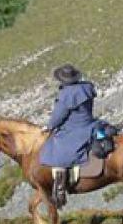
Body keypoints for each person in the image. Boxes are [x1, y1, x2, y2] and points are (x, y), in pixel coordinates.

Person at [39, 64, 98, 206]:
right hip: (90, 123)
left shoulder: (67, 94)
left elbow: (59, 116)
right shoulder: (86, 87)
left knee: (58, 151)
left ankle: (60, 189)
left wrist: (49, 126)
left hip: (74, 129)